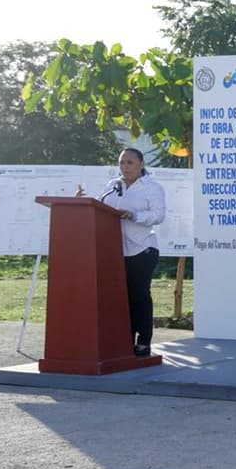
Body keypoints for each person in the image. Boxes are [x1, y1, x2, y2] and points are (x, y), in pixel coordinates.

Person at [85, 148, 166, 357]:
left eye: (130, 162)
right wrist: (83, 202)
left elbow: (158, 215)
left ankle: (144, 341)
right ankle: (124, 338)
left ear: (141, 163)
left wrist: (134, 215)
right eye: (122, 163)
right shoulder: (112, 187)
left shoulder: (152, 188)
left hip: (142, 248)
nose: (125, 167)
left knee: (139, 296)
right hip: (115, 251)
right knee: (121, 297)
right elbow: (99, 207)